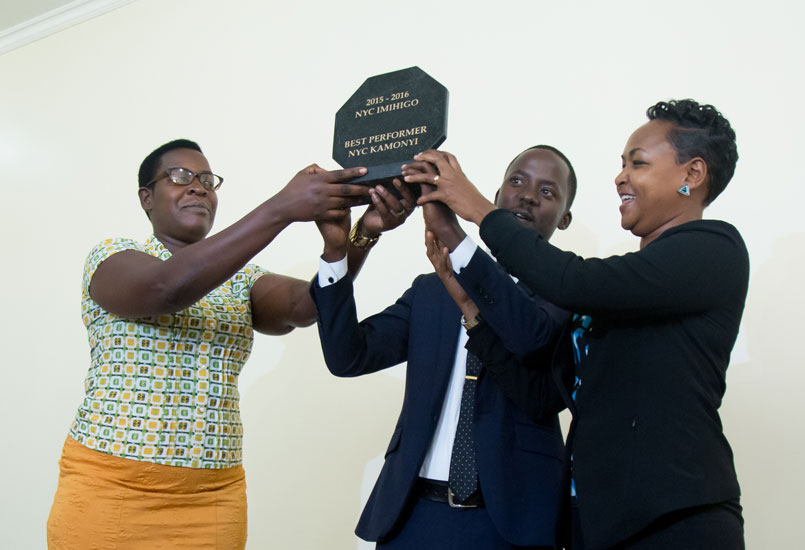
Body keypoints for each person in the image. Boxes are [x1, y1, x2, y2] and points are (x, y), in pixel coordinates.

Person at [46, 138, 418, 549]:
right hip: (112, 490)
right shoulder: (114, 257)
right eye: (181, 177)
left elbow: (307, 306)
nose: (198, 187)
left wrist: (354, 238)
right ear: (146, 197)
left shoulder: (242, 280)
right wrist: (280, 209)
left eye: (207, 180)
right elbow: (167, 287)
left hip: (212, 498)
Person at [412, 99, 748, 549]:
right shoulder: (626, 289)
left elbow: (571, 280)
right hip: (593, 524)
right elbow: (539, 396)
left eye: (639, 163)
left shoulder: (714, 250)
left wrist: (475, 208)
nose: (621, 177)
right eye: (622, 164)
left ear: (692, 175)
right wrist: (468, 306)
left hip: (675, 522)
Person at [310, 145, 578, 549]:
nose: (526, 195)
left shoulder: (565, 286)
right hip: (412, 515)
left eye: (547, 192)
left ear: (565, 218)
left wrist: (454, 235)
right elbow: (349, 356)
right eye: (517, 181)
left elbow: (527, 337)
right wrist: (339, 251)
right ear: (496, 192)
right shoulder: (431, 290)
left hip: (510, 520)